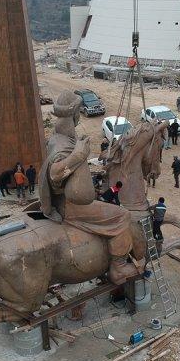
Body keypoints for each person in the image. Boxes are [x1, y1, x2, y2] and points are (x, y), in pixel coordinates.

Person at [39, 91, 139, 284]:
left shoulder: (58, 137)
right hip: (72, 207)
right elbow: (55, 173)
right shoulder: (65, 145)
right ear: (75, 114)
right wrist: (78, 155)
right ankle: (118, 266)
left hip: (64, 201)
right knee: (122, 215)